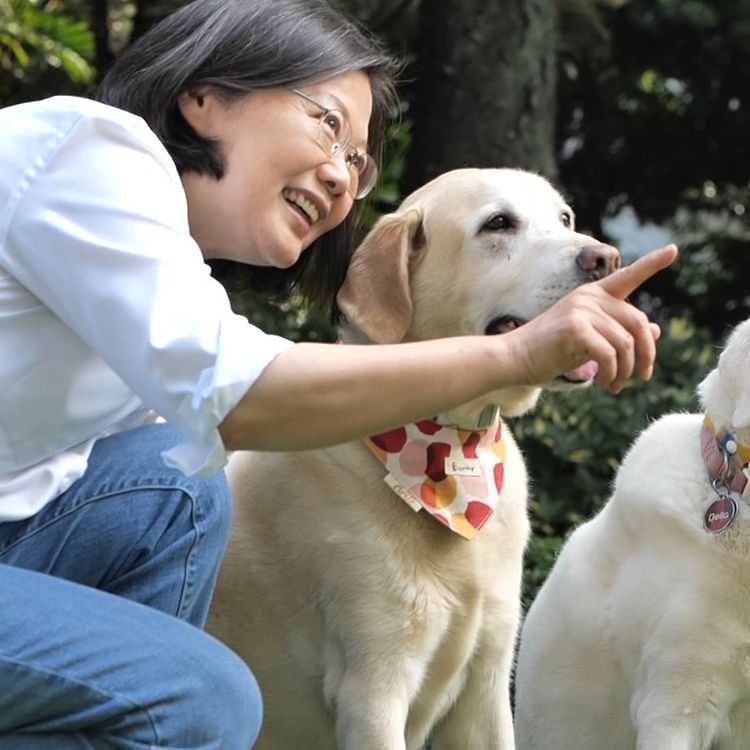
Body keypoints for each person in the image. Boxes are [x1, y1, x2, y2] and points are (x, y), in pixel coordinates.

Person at [0, 0, 677, 747]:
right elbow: (240, 395)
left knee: (176, 485)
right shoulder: (92, 153)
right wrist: (516, 354)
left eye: (358, 159)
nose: (340, 176)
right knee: (203, 691)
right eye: (327, 124)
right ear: (204, 95)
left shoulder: (166, 277)